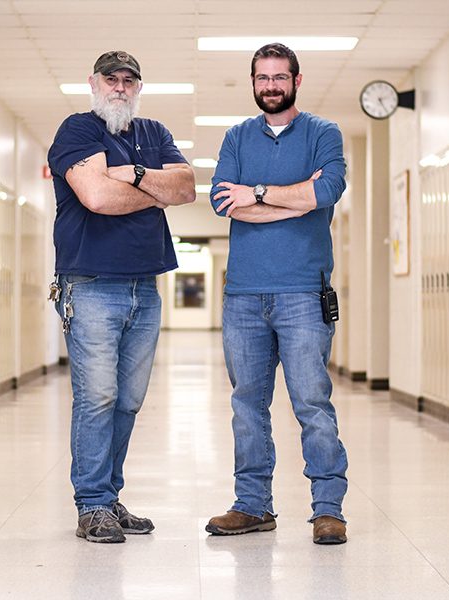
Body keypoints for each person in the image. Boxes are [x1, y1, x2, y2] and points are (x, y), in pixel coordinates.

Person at [47, 50, 195, 543]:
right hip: (90, 284)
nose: (120, 87)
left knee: (128, 400)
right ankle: (90, 505)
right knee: (98, 397)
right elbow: (96, 198)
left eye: (129, 80)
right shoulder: (78, 131)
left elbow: (188, 188)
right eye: (111, 78)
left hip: (145, 286)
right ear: (93, 82)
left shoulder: (154, 133)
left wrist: (127, 174)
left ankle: (109, 499)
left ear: (139, 87)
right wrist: (155, 189)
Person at [205, 43, 349, 545]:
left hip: (303, 294)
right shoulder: (237, 137)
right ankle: (252, 506)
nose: (270, 86)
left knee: (311, 401)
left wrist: (259, 193)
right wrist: (296, 199)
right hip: (243, 294)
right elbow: (225, 201)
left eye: (279, 77)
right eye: (262, 77)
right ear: (252, 81)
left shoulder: (323, 133)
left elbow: (326, 191)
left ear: (296, 80)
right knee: (247, 403)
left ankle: (328, 509)